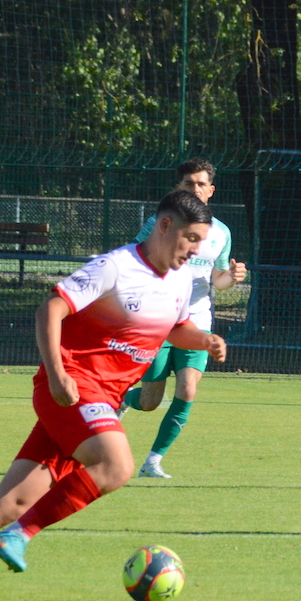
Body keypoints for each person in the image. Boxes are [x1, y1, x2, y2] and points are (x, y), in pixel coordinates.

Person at [0, 191, 226, 600]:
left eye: (202, 240)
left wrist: (204, 340)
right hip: (71, 389)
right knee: (117, 465)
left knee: (9, 503)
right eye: (191, 238)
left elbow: (174, 326)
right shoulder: (117, 266)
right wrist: (57, 375)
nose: (197, 249)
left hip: (101, 401)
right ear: (165, 226)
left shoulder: (181, 278)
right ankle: (20, 536)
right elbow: (51, 309)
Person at [119, 157, 246, 478]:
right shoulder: (159, 224)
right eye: (189, 184)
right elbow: (134, 261)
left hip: (198, 323)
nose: (195, 189)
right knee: (149, 401)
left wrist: (231, 276)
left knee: (188, 389)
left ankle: (153, 461)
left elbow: (217, 280)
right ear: (178, 189)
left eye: (201, 184)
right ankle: (122, 401)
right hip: (158, 322)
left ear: (211, 190)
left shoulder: (221, 233)